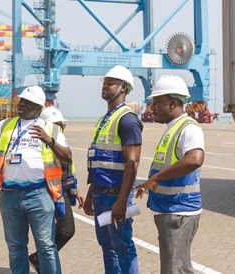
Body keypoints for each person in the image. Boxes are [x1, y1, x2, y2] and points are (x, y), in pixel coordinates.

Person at [0, 85, 71, 274]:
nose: (21, 104)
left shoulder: (50, 129)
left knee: (46, 246)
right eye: (21, 101)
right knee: (15, 247)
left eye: (28, 102)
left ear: (38, 108)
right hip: (10, 196)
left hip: (39, 195)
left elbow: (67, 158)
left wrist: (49, 141)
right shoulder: (5, 125)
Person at [135, 75, 205, 274]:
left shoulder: (188, 128)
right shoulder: (172, 128)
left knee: (175, 270)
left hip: (179, 212)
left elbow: (195, 159)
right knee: (177, 269)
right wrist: (150, 182)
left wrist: (156, 178)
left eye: (157, 102)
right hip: (169, 210)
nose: (152, 108)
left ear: (173, 103)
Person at [83, 65, 142, 274]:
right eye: (105, 82)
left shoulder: (127, 120)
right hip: (101, 194)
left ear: (124, 88)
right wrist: (91, 194)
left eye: (111, 82)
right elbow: (99, 162)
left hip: (115, 196)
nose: (105, 85)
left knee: (123, 248)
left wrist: (122, 201)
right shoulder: (105, 119)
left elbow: (132, 163)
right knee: (107, 247)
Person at [28, 106, 84, 274]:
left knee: (63, 231)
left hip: (63, 192)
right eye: (56, 125)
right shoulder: (42, 146)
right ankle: (45, 264)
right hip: (48, 193)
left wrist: (77, 190)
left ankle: (39, 259)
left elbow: (69, 169)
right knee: (54, 233)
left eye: (61, 125)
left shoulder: (61, 143)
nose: (59, 129)